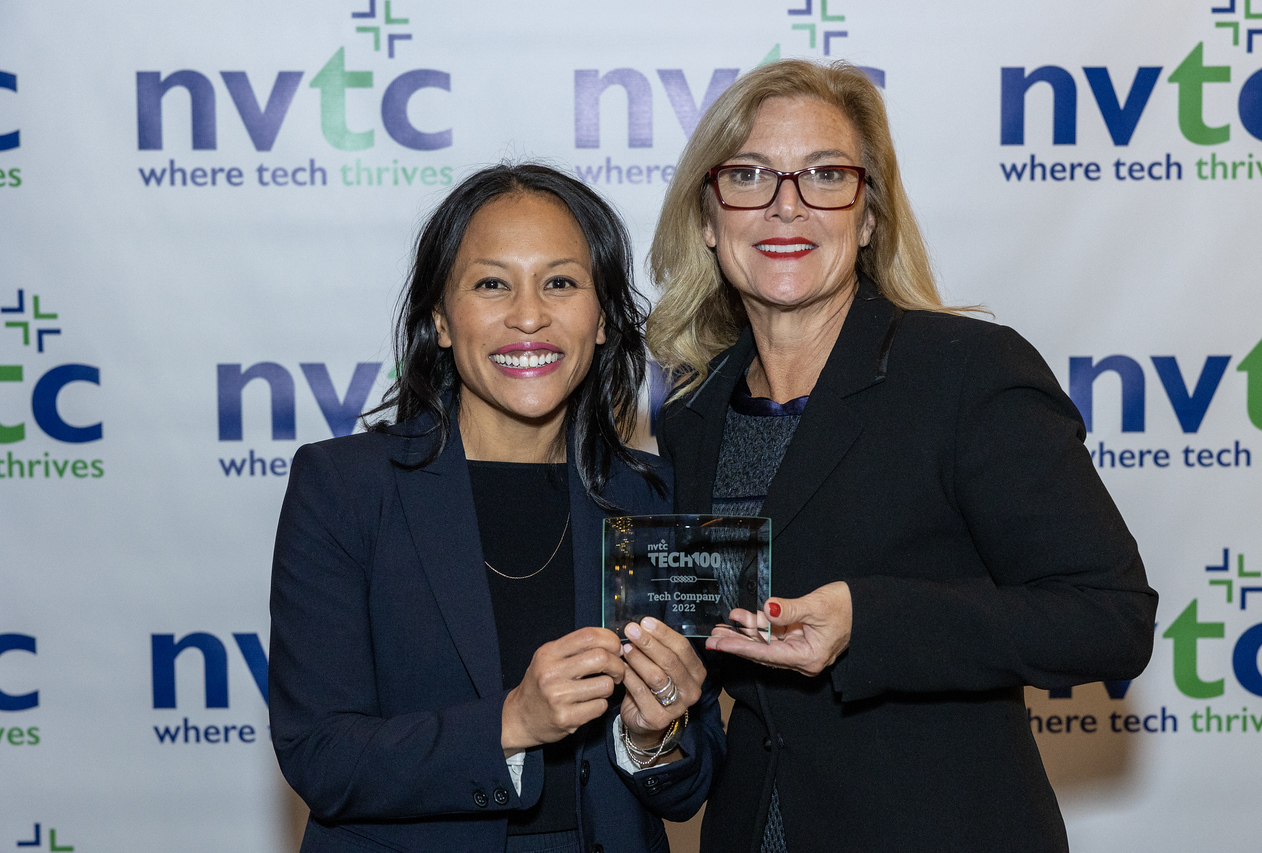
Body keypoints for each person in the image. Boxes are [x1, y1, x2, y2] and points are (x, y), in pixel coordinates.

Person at [646, 60, 1157, 853]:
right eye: (749, 175)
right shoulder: (692, 413)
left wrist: (867, 620)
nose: (787, 204)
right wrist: (660, 704)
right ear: (709, 217)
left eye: (825, 174)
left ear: (870, 216)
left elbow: (1111, 618)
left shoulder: (965, 372)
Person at [269, 163, 724, 853]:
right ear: (441, 321)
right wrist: (510, 722)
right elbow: (321, 755)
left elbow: (690, 782)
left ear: (601, 319)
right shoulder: (345, 487)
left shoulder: (653, 494)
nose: (529, 314)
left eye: (561, 282)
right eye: (492, 283)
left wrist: (651, 733)